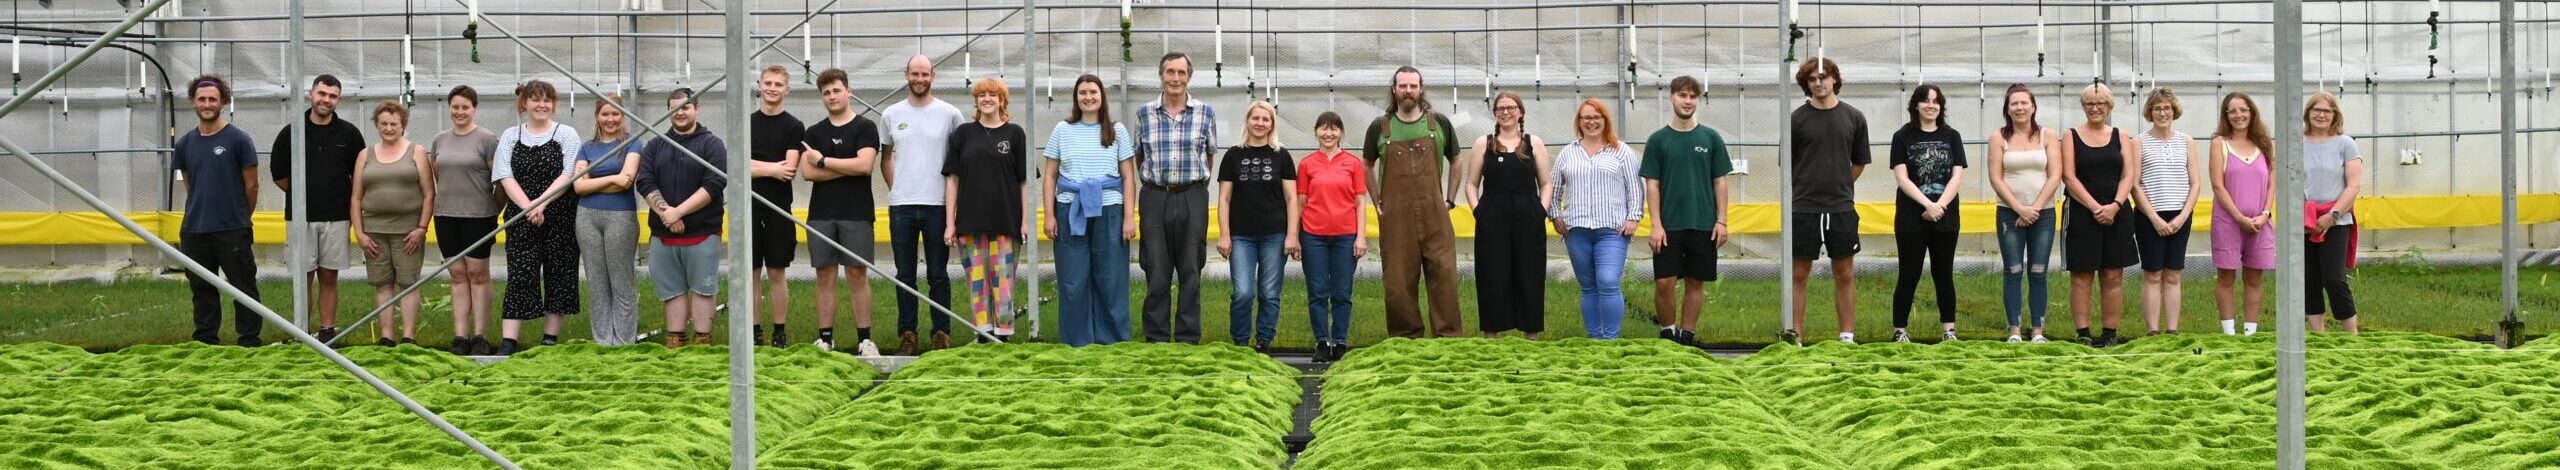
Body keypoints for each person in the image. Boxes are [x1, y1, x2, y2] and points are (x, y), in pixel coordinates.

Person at [1363, 66, 1466, 339]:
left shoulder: (1439, 123)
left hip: (1435, 213)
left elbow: (1456, 161)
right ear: (1394, 90)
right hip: (1396, 218)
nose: (1408, 91)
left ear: (1421, 89)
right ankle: (1405, 339)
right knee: (1397, 282)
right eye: (1403, 86)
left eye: (1413, 86)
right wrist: (1377, 201)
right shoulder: (1380, 127)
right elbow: (1367, 165)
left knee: (1444, 278)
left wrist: (1450, 200)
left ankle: (1449, 338)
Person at [882, 55, 968, 354]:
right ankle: (908, 334)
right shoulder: (891, 114)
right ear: (906, 74)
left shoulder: (950, 114)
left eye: (924, 74)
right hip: (902, 206)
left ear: (934, 75)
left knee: (938, 274)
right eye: (914, 73)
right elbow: (887, 157)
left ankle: (941, 333)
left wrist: (953, 208)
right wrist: (898, 189)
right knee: (905, 274)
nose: (919, 79)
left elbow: (958, 161)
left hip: (937, 205)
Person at [1045, 74, 1139, 347]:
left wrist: (1129, 217)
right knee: (1073, 278)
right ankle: (1077, 340)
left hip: (1109, 210)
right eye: (1083, 92)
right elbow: (1050, 175)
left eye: (1093, 92)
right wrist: (1050, 214)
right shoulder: (1062, 130)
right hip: (1070, 209)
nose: (1088, 97)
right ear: (1076, 97)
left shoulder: (1116, 131)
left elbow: (1128, 177)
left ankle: (1113, 340)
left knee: (1110, 277)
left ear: (1102, 97)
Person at [1641, 76, 1734, 348]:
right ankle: (1668, 334)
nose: (1687, 101)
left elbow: (1720, 181)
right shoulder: (1658, 141)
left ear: (1698, 100)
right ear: (1671, 97)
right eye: (1682, 95)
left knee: (1696, 281)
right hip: (1668, 226)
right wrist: (1656, 224)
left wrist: (1722, 221)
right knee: (1665, 282)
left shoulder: (1711, 138)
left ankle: (1687, 337)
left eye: (1693, 96)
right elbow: (1653, 185)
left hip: (1703, 224)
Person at [492, 80, 582, 356]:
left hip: (560, 215)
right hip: (522, 216)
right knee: (520, 275)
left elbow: (570, 174)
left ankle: (550, 338)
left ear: (554, 105)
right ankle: (509, 342)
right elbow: (504, 174)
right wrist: (529, 207)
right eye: (535, 99)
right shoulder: (510, 135)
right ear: (524, 104)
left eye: (547, 100)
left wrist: (541, 204)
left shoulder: (566, 133)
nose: (541, 105)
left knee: (560, 273)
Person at [1134, 52, 1219, 345]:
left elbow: (1209, 155)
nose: (1175, 78)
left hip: (1192, 195)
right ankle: (1156, 338)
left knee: (1191, 268)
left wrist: (1195, 187)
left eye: (1181, 73)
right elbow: (1139, 155)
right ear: (1161, 76)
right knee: (1156, 268)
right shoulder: (1145, 112)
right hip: (1155, 196)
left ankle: (1187, 338)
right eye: (1170, 72)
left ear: (1189, 77)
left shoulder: (1205, 112)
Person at [173, 75, 265, 347]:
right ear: (193, 102)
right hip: (195, 230)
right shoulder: (185, 144)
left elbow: (252, 186)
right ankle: (206, 340)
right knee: (201, 289)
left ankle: (249, 340)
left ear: (223, 101)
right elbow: (191, 184)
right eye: (201, 99)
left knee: (243, 287)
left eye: (212, 98)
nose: (207, 103)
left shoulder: (239, 140)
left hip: (233, 230)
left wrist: (238, 218)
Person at [272, 74, 363, 344]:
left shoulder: (349, 134)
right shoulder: (292, 131)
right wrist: (304, 196)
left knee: (328, 275)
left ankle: (327, 331)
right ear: (311, 94)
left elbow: (357, 175)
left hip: (336, 217)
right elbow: (279, 175)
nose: (326, 100)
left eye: (332, 96)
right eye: (322, 94)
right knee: (303, 277)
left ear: (339, 100)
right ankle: (300, 330)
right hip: (300, 218)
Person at [637, 88, 728, 348]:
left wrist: (680, 211)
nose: (680, 112)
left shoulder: (712, 144)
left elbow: (714, 183)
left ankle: (702, 340)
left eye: (685, 107)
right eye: (675, 108)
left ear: (696, 109)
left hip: (702, 233)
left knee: (702, 289)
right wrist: (667, 213)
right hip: (664, 233)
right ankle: (675, 340)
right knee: (672, 291)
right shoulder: (655, 145)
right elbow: (644, 180)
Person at [1787, 58, 1870, 345]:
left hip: (1841, 208)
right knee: (1799, 272)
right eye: (1812, 79)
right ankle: (1795, 335)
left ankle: (1846, 335)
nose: (1818, 83)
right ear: (1807, 85)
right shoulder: (1797, 119)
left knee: (1844, 272)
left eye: (1824, 77)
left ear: (1834, 79)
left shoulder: (1854, 117)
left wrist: (1841, 184)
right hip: (1804, 208)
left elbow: (1859, 162)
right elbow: (1787, 163)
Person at [801, 68, 883, 355]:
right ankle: (825, 338)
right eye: (826, 92)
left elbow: (865, 166)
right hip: (821, 213)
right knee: (824, 274)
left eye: (837, 90)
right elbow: (808, 174)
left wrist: (824, 160)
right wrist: (844, 166)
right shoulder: (814, 132)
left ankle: (865, 339)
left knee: (857, 274)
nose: (832, 96)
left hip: (857, 213)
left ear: (849, 90)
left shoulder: (866, 128)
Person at [945, 77, 1032, 344]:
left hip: (1006, 221)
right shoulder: (963, 134)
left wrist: (1025, 221)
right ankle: (983, 333)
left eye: (993, 95)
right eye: (982, 95)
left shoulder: (1015, 134)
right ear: (976, 100)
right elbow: (952, 179)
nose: (987, 99)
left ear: (1002, 100)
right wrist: (950, 222)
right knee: (977, 281)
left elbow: (1024, 180)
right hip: (970, 223)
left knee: (1003, 281)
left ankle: (1003, 334)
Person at [1548, 99, 1643, 340]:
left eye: (1596, 117)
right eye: (1586, 118)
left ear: (1605, 120)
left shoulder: (1621, 151)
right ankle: (1594, 337)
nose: (1591, 122)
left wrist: (1633, 217)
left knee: (1608, 281)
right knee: (1588, 286)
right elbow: (1553, 188)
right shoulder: (1568, 153)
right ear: (1579, 122)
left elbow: (1635, 188)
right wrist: (1555, 215)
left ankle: (1610, 339)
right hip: (1576, 230)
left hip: (1612, 230)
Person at [1461, 91, 1549, 340]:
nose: (1506, 112)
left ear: (1520, 112)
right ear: (1495, 113)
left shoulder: (1534, 143)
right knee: (1492, 275)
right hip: (1492, 219)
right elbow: (1471, 184)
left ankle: (1531, 334)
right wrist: (1479, 211)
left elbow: (1546, 182)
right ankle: (1492, 333)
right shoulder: (1483, 144)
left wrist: (1541, 210)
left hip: (1528, 217)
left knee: (1530, 274)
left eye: (1511, 107)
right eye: (1500, 108)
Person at [349, 101, 436, 348]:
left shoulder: (416, 152)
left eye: (394, 124)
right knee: (383, 284)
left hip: (408, 232)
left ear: (403, 125)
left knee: (408, 282)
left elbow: (429, 193)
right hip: (374, 232)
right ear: (377, 125)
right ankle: (387, 336)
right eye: (383, 123)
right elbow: (355, 197)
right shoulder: (365, 155)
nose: (388, 128)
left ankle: (409, 337)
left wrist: (422, 228)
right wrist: (360, 232)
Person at [2060, 84, 2140, 347]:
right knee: (2082, 275)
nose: (2095, 108)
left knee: (2113, 274)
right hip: (2083, 215)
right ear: (2083, 107)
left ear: (2109, 107)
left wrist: (2116, 205)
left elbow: (2129, 175)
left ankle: (2110, 334)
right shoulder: (2071, 136)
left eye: (2100, 104)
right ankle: (2083, 334)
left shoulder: (2122, 135)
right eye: (2089, 104)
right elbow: (2069, 176)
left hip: (2117, 213)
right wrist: (2095, 207)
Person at [1887, 84, 1967, 343]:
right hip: (1912, 218)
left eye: (1936, 101)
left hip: (1946, 217)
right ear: (1916, 105)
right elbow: (1902, 178)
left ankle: (1949, 331)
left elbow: (1957, 175)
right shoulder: (1902, 137)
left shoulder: (1952, 136)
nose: (1930, 105)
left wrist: (1940, 205)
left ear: (1941, 106)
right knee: (1908, 273)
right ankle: (1900, 330)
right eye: (1925, 101)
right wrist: (1927, 205)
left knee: (1943, 273)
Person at [1217, 100, 1298, 352]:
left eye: (1266, 119)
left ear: (1272, 124)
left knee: (1269, 293)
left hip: (1275, 235)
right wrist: (1225, 235)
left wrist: (1292, 235)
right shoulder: (1232, 155)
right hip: (1241, 236)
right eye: (1256, 118)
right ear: (1247, 121)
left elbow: (1291, 198)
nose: (1260, 123)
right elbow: (1224, 198)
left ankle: (1264, 343)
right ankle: (1240, 344)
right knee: (1242, 292)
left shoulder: (1282, 156)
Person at [1988, 84, 2064, 343]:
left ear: (2033, 106)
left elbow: (2055, 175)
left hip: (2043, 214)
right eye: (2014, 104)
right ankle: (2015, 331)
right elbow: (1996, 178)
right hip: (2009, 214)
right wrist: (2019, 208)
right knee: (2013, 269)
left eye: (2024, 103)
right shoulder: (1998, 137)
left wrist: (2035, 209)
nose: (2019, 108)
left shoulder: (2048, 135)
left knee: (2038, 270)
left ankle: (2038, 331)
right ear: (2007, 109)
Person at [431, 85, 503, 356]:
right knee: (458, 275)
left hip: (479, 216)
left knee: (477, 275)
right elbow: (438, 174)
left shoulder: (486, 139)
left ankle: (480, 335)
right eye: (455, 107)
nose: (460, 112)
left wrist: (492, 210)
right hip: (446, 216)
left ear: (474, 108)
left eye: (465, 107)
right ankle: (460, 336)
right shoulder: (439, 140)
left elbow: (499, 181)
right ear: (449, 108)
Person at [1296, 112, 1369, 362]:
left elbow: (1360, 201)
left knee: (1342, 292)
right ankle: (1321, 341)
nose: (1328, 134)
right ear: (1316, 132)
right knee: (1317, 291)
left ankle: (1339, 341)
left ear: (1341, 133)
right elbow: (1301, 202)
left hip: (1346, 236)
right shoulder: (1307, 164)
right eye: (1323, 129)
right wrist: (1295, 236)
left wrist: (1361, 237)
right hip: (1313, 236)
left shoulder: (1353, 163)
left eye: (1334, 129)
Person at [573, 95, 644, 346]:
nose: (610, 119)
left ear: (623, 116)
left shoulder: (633, 143)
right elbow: (578, 186)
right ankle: (603, 340)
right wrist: (611, 180)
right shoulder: (586, 147)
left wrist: (596, 182)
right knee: (597, 281)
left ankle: (624, 340)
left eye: (615, 114)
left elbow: (627, 180)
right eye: (605, 114)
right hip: (587, 218)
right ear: (597, 117)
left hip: (620, 218)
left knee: (621, 279)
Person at [2132, 88, 2203, 337]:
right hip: (2149, 216)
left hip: (2180, 213)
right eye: (2157, 108)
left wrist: (2183, 216)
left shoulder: (2186, 141)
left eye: (2166, 108)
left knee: (2173, 274)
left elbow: (2195, 182)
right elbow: (2135, 183)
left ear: (2174, 111)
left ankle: (2172, 329)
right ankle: (2153, 330)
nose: (2162, 112)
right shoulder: (2138, 142)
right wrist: (2153, 217)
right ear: (2150, 112)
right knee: (2153, 274)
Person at [748, 65, 808, 348]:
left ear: (787, 89)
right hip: (747, 207)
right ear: (760, 85)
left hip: (779, 207)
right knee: (750, 272)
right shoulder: (746, 123)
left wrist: (755, 167)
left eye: (778, 84)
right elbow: (736, 165)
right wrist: (771, 168)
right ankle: (754, 331)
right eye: (767, 83)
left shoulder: (794, 126)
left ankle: (779, 331)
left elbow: (790, 168)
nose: (772, 88)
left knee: (776, 271)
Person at [2209, 92, 2274, 336]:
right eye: (2233, 111)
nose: (2239, 115)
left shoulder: (2264, 144)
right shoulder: (2219, 144)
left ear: (2252, 112)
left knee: (2254, 278)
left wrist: (2265, 214)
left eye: (2243, 109)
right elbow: (2218, 185)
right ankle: (2229, 332)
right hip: (2228, 222)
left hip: (2260, 223)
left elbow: (2271, 184)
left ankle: (2250, 332)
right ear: (2226, 115)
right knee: (2226, 276)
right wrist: (2238, 217)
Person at [2302, 91, 2364, 334]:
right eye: (2316, 109)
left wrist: (2333, 215)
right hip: (2303, 221)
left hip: (2337, 221)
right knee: (2309, 280)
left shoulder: (2346, 144)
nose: (2321, 114)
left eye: (2327, 111)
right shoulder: (2296, 142)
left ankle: (2351, 335)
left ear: (2335, 115)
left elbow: (2354, 185)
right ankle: (2319, 335)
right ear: (2308, 113)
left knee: (2334, 278)